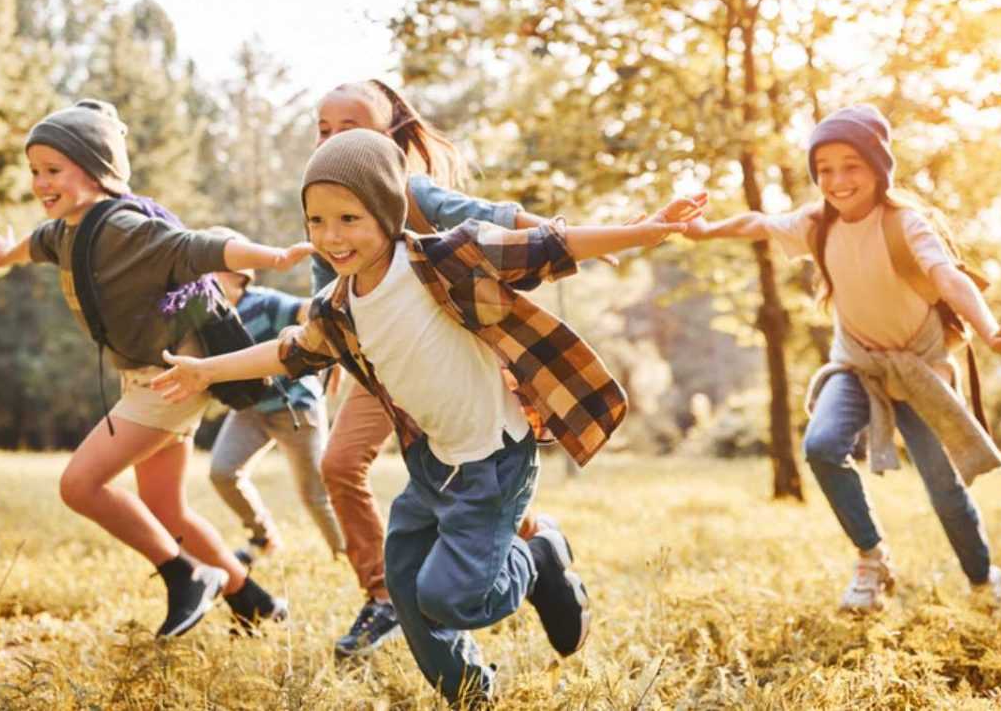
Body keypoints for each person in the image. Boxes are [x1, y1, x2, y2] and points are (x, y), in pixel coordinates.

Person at [151, 128, 706, 704]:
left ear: (388, 212)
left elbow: (546, 245)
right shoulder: (339, 307)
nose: (331, 237)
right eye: (316, 221)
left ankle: (537, 557)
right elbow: (291, 351)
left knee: (450, 598)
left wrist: (647, 228)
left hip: (493, 459)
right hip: (431, 464)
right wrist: (207, 370)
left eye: (349, 218)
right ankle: (470, 693)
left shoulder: (445, 260)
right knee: (407, 588)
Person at [0, 99, 310, 637]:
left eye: (53, 170)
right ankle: (255, 604)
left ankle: (185, 576)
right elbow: (36, 246)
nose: (40, 183)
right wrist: (5, 252)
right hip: (150, 375)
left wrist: (272, 257)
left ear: (98, 169)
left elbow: (195, 248)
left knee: (80, 485)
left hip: (170, 377)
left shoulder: (123, 226)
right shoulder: (67, 230)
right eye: (34, 171)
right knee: (164, 508)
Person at [684, 103, 1001, 611]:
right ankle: (873, 558)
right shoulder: (817, 225)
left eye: (851, 165)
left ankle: (983, 579)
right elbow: (758, 222)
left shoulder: (905, 224)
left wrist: (989, 329)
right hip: (857, 365)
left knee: (942, 485)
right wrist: (705, 230)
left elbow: (947, 277)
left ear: (878, 167)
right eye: (824, 169)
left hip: (919, 370)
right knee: (823, 446)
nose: (837, 180)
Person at [308, 79, 555, 659]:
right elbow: (326, 294)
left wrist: (555, 235)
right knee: (339, 463)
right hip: (383, 369)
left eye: (351, 127)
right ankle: (383, 598)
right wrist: (330, 359)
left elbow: (494, 218)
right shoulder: (325, 204)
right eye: (323, 130)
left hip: (449, 358)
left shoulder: (415, 192)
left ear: (392, 135)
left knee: (470, 474)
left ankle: (530, 551)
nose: (333, 140)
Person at [203, 227, 347, 562]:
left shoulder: (265, 303)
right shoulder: (209, 316)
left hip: (295, 409)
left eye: (211, 269)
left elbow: (309, 311)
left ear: (237, 274)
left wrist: (335, 347)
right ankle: (263, 538)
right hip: (250, 411)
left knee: (314, 493)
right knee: (222, 472)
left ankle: (346, 553)